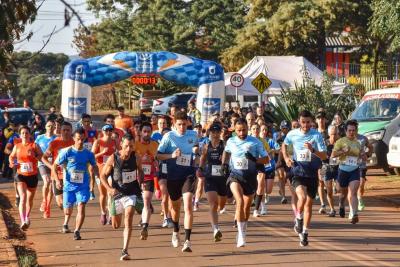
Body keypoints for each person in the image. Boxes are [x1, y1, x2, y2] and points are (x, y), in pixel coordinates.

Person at [282, 110, 327, 247]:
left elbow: (324, 156)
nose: (306, 125)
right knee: (301, 198)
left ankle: (304, 233)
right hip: (298, 172)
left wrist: (313, 150)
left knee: (309, 204)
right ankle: (299, 219)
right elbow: (284, 145)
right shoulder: (292, 134)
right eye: (303, 122)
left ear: (312, 122)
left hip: (312, 173)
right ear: (299, 122)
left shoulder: (317, 135)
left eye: (308, 122)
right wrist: (286, 158)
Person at [222, 118, 269, 247]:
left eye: (244, 130)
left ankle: (243, 229)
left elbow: (266, 159)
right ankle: (241, 235)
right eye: (239, 130)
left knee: (247, 207)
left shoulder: (256, 142)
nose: (242, 133)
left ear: (247, 128)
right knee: (240, 201)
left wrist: (254, 159)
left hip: (250, 177)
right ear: (234, 130)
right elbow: (226, 153)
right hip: (235, 176)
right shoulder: (231, 141)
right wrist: (224, 164)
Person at [157, 111, 199, 252]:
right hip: (173, 176)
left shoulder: (193, 135)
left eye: (184, 124)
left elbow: (196, 149)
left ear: (188, 123)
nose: (182, 127)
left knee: (187, 205)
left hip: (189, 175)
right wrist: (171, 155)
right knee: (175, 207)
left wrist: (197, 151)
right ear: (174, 124)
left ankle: (187, 241)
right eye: (179, 124)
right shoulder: (168, 137)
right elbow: (158, 155)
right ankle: (175, 231)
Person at [100, 134, 143, 260]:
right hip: (117, 194)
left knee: (129, 216)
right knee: (116, 225)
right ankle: (110, 208)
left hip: (131, 192)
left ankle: (125, 250)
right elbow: (103, 176)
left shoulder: (136, 157)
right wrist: (109, 189)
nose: (129, 149)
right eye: (126, 146)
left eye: (131, 146)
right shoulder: (113, 158)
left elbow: (140, 170)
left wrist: (141, 180)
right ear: (121, 145)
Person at [52, 127, 98, 240]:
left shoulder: (89, 154)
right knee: (67, 210)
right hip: (69, 186)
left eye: (82, 139)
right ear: (74, 138)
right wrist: (58, 180)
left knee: (81, 206)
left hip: (83, 185)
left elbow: (94, 166)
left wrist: (97, 176)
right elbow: (54, 166)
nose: (80, 141)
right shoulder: (66, 152)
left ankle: (77, 231)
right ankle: (66, 222)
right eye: (78, 139)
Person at [9, 125, 43, 230]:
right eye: (23, 133)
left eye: (26, 133)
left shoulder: (34, 146)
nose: (24, 135)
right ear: (20, 135)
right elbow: (11, 156)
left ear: (29, 134)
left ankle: (27, 216)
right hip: (20, 175)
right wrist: (11, 163)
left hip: (32, 176)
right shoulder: (17, 146)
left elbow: (42, 157)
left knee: (29, 199)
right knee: (23, 197)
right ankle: (23, 220)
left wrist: (35, 156)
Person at [198, 123, 226, 242]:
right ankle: (215, 229)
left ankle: (220, 209)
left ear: (220, 133)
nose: (215, 134)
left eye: (217, 131)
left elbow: (231, 157)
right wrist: (200, 168)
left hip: (223, 178)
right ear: (209, 133)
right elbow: (203, 158)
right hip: (210, 177)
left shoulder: (224, 146)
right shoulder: (206, 146)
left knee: (222, 204)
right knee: (213, 204)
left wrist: (225, 161)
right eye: (212, 132)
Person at [331, 120, 362, 224]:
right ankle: (341, 203)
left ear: (356, 131)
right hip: (343, 170)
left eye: (353, 130)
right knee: (342, 192)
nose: (352, 132)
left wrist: (362, 157)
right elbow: (333, 155)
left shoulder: (358, 143)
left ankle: (354, 214)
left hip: (354, 170)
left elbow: (360, 156)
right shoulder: (340, 141)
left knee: (353, 192)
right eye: (349, 130)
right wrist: (342, 151)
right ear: (345, 131)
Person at [134, 122, 159, 240]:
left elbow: (159, 160)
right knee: (138, 204)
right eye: (144, 131)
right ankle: (147, 209)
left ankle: (145, 227)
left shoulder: (155, 145)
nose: (147, 133)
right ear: (140, 132)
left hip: (148, 177)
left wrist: (155, 162)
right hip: (135, 177)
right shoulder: (135, 145)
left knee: (146, 199)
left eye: (149, 131)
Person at [42, 122, 74, 209]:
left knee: (68, 202)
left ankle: (67, 217)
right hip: (57, 174)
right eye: (64, 130)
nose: (66, 132)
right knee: (60, 202)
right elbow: (44, 158)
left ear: (71, 131)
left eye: (68, 130)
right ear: (60, 131)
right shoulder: (55, 143)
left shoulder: (75, 142)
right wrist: (51, 167)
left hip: (72, 175)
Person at [91, 124, 119, 225]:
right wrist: (102, 153)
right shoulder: (98, 142)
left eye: (110, 130)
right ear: (102, 131)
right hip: (100, 171)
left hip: (111, 170)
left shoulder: (114, 141)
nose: (108, 132)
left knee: (111, 192)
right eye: (106, 130)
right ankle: (103, 212)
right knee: (103, 194)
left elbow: (119, 152)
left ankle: (111, 215)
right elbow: (91, 156)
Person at [35, 120, 57, 218]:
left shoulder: (57, 138)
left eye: (52, 126)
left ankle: (47, 207)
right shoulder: (40, 137)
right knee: (47, 181)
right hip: (42, 163)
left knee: (52, 185)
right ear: (45, 127)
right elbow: (34, 148)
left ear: (55, 127)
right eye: (48, 126)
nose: (50, 128)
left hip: (54, 164)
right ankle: (44, 200)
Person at [249, 123, 271, 218]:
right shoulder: (247, 140)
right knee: (253, 187)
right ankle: (257, 203)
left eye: (257, 128)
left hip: (260, 164)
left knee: (261, 184)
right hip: (249, 166)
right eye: (254, 128)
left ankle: (257, 209)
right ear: (251, 130)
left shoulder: (263, 141)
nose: (256, 130)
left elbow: (268, 154)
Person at [157, 127, 174, 228]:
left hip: (172, 173)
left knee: (172, 196)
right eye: (165, 135)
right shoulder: (160, 147)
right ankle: (165, 219)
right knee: (165, 195)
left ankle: (170, 217)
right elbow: (156, 157)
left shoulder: (174, 145)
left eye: (169, 134)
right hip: (162, 173)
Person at [323, 126, 340, 217]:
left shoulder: (341, 143)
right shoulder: (324, 143)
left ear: (338, 134)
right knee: (329, 192)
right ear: (329, 134)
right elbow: (321, 155)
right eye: (332, 134)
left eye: (335, 134)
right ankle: (332, 209)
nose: (333, 136)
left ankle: (341, 205)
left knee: (339, 188)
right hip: (327, 168)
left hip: (338, 168)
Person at [193, 123, 209, 211]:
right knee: (194, 183)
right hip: (191, 164)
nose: (197, 132)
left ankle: (196, 201)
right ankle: (193, 197)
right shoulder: (190, 139)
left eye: (199, 130)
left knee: (201, 181)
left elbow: (208, 150)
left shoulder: (206, 140)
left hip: (201, 165)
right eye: (196, 130)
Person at [274, 120, 291, 204]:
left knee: (286, 176)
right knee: (281, 175)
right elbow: (274, 147)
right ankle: (283, 197)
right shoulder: (276, 135)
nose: (285, 130)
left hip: (288, 158)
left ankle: (281, 188)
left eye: (286, 128)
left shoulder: (291, 136)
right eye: (283, 128)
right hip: (279, 159)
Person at [357, 132, 372, 211]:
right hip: (350, 165)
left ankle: (360, 198)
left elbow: (370, 147)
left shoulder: (363, 138)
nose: (353, 131)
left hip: (361, 165)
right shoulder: (346, 138)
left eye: (355, 128)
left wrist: (367, 155)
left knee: (361, 184)